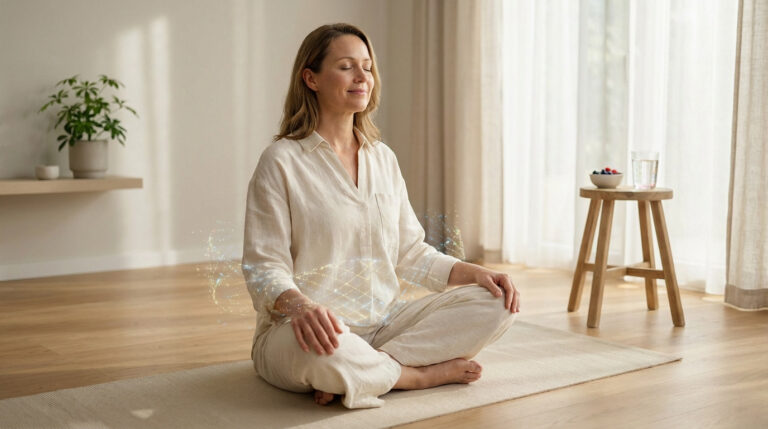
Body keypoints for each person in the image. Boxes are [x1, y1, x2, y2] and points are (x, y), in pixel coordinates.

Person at [242, 23, 520, 409]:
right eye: (346, 67)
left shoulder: (382, 157)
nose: (362, 77)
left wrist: (474, 273)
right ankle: (413, 375)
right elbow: (262, 266)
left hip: (385, 325)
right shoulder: (281, 161)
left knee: (498, 302)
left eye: (368, 67)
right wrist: (302, 307)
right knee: (326, 351)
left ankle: (367, 371)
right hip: (304, 331)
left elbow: (411, 251)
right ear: (311, 78)